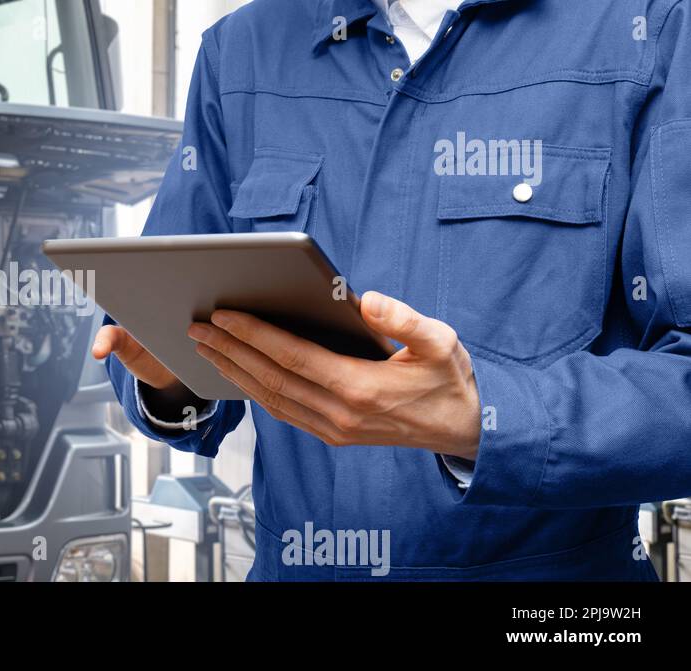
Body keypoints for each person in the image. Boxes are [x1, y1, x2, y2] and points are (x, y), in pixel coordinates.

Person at [95, 0, 691, 580]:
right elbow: (158, 314)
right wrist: (172, 378)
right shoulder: (241, 51)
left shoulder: (650, 27)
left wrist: (484, 419)